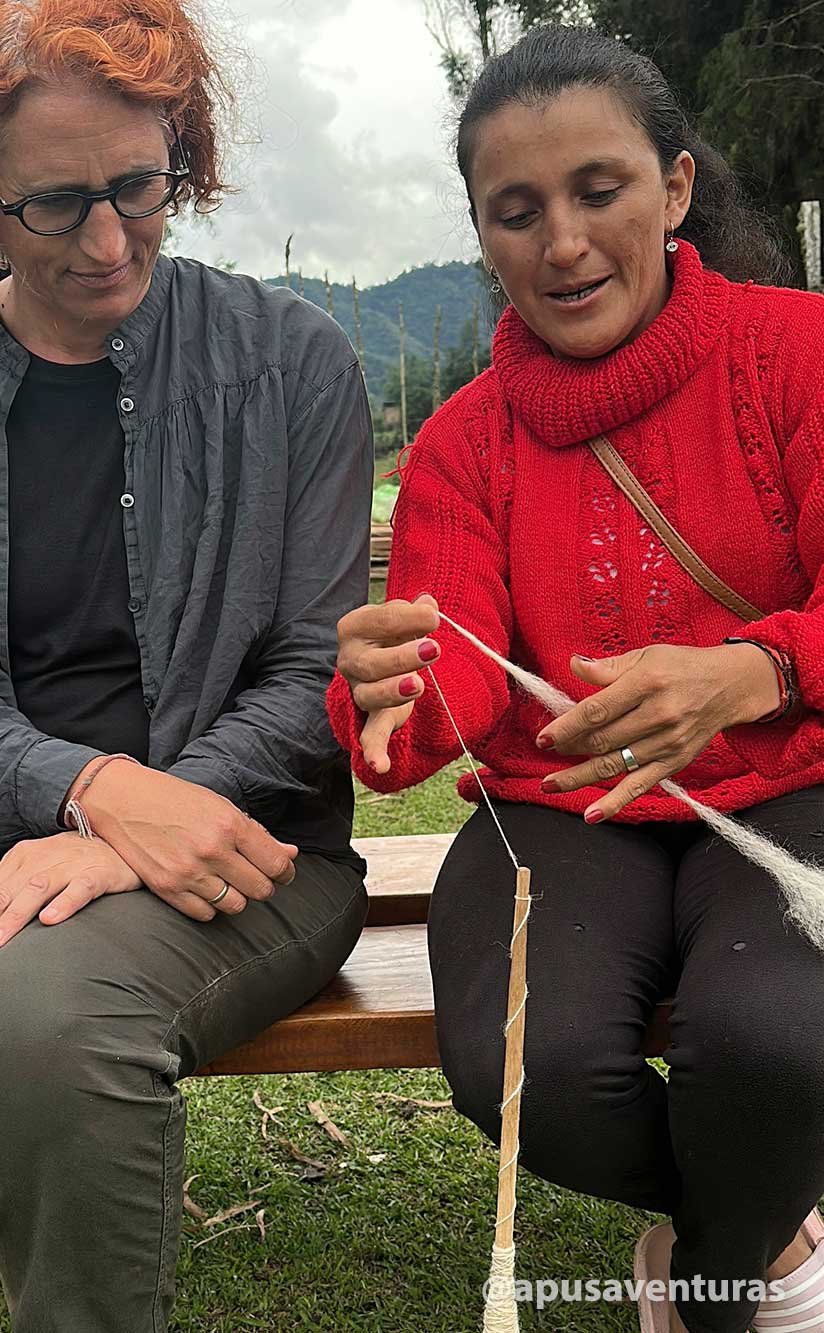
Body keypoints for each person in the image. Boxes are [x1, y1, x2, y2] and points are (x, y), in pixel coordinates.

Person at [0, 2, 371, 1330]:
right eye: (57, 205)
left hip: (245, 845)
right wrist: (93, 793)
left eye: (140, 186)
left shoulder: (292, 364)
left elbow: (312, 675)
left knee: (48, 1027)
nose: (111, 240)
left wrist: (142, 826)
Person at [329, 24, 824, 1333]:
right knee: (530, 1074)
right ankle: (767, 1235)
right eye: (517, 212)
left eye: (599, 190)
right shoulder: (460, 447)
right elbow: (445, 689)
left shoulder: (799, 357)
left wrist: (757, 669)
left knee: (774, 1046)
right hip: (563, 807)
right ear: (482, 234)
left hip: (796, 782)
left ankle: (711, 1291)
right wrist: (389, 689)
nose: (562, 242)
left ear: (675, 186)